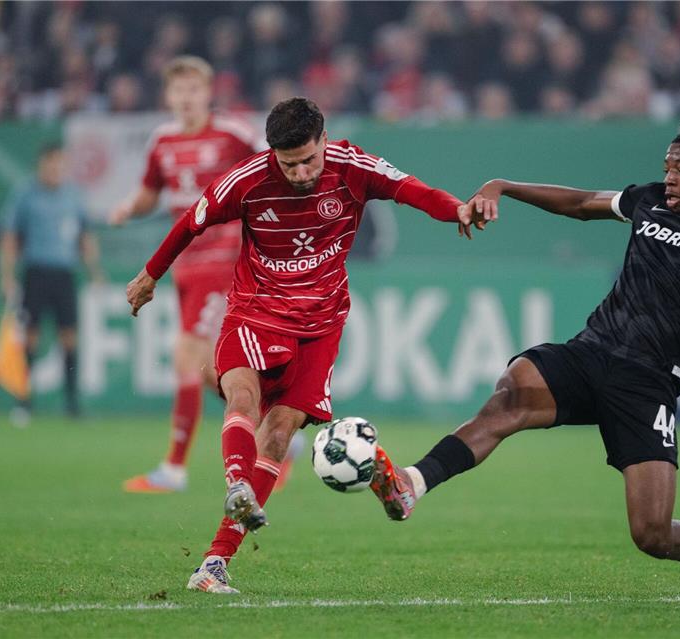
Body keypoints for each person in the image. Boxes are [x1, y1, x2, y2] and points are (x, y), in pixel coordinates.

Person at [369, 112, 680, 597]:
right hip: (592, 351)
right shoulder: (651, 200)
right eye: (667, 166)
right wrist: (504, 185)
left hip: (649, 380)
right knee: (512, 392)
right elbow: (579, 203)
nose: (670, 177)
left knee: (651, 534)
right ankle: (412, 482)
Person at [125, 97, 471, 594]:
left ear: (324, 139)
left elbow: (413, 190)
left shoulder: (354, 167)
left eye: (309, 159)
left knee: (282, 429)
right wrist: (149, 275)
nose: (302, 172)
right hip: (255, 310)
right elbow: (190, 222)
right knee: (242, 395)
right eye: (289, 164)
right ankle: (237, 486)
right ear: (273, 155)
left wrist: (456, 209)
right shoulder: (246, 180)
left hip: (320, 324)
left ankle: (214, 563)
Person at [109, 56, 294, 494]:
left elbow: (275, 168)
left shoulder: (233, 134)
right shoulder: (162, 140)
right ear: (168, 95)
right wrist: (125, 209)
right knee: (214, 371)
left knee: (188, 355)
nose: (187, 98)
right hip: (185, 264)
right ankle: (279, 429)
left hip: (225, 260)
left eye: (195, 89)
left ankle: (174, 468)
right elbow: (150, 194)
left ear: (208, 93)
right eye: (179, 90)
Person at [0, 143, 104, 424]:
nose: (55, 170)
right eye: (50, 164)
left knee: (69, 337)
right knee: (30, 336)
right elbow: (9, 236)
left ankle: (72, 402)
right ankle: (23, 401)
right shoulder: (25, 194)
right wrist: (6, 277)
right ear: (41, 165)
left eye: (60, 164)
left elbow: (85, 236)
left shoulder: (73, 196)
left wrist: (94, 271)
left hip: (64, 274)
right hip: (35, 272)